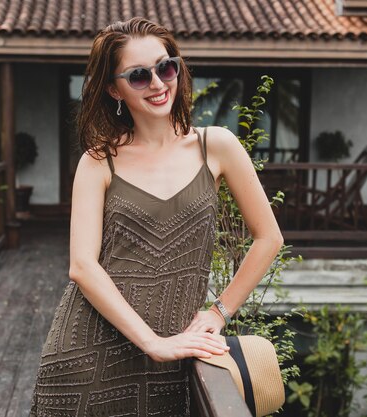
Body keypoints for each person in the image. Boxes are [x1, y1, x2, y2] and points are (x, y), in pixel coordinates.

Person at [30, 17, 283, 417]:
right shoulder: (99, 161)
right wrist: (152, 342)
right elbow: (82, 266)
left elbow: (269, 238)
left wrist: (220, 312)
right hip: (86, 357)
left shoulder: (215, 145)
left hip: (171, 356)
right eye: (139, 75)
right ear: (114, 89)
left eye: (166, 67)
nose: (158, 83)